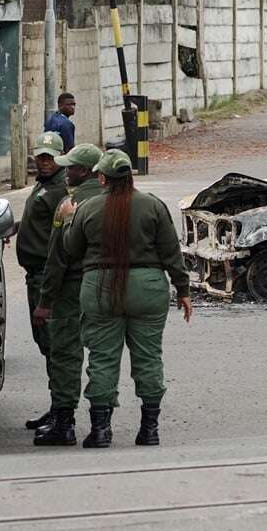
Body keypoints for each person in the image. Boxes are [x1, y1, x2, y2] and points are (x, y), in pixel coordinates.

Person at [63, 149, 193, 447]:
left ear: (103, 177)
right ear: (130, 176)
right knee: (149, 357)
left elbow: (72, 249)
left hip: (101, 287)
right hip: (148, 288)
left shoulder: (87, 208)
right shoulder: (153, 206)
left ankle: (100, 431)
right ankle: (149, 430)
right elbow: (171, 251)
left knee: (102, 358)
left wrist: (68, 220)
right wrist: (183, 290)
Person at [31, 143, 105, 446]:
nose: (65, 172)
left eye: (70, 168)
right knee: (103, 355)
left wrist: (45, 300)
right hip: (106, 285)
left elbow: (57, 256)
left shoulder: (68, 204)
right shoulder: (112, 200)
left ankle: (64, 422)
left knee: (65, 353)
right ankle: (103, 424)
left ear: (84, 171)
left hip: (72, 288)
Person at [17, 131, 69, 431]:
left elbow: (61, 242)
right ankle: (56, 406)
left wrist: (49, 292)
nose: (44, 162)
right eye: (41, 156)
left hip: (45, 278)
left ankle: (62, 411)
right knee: (47, 346)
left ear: (60, 157)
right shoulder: (44, 184)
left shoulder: (59, 191)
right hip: (34, 277)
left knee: (55, 347)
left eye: (50, 157)